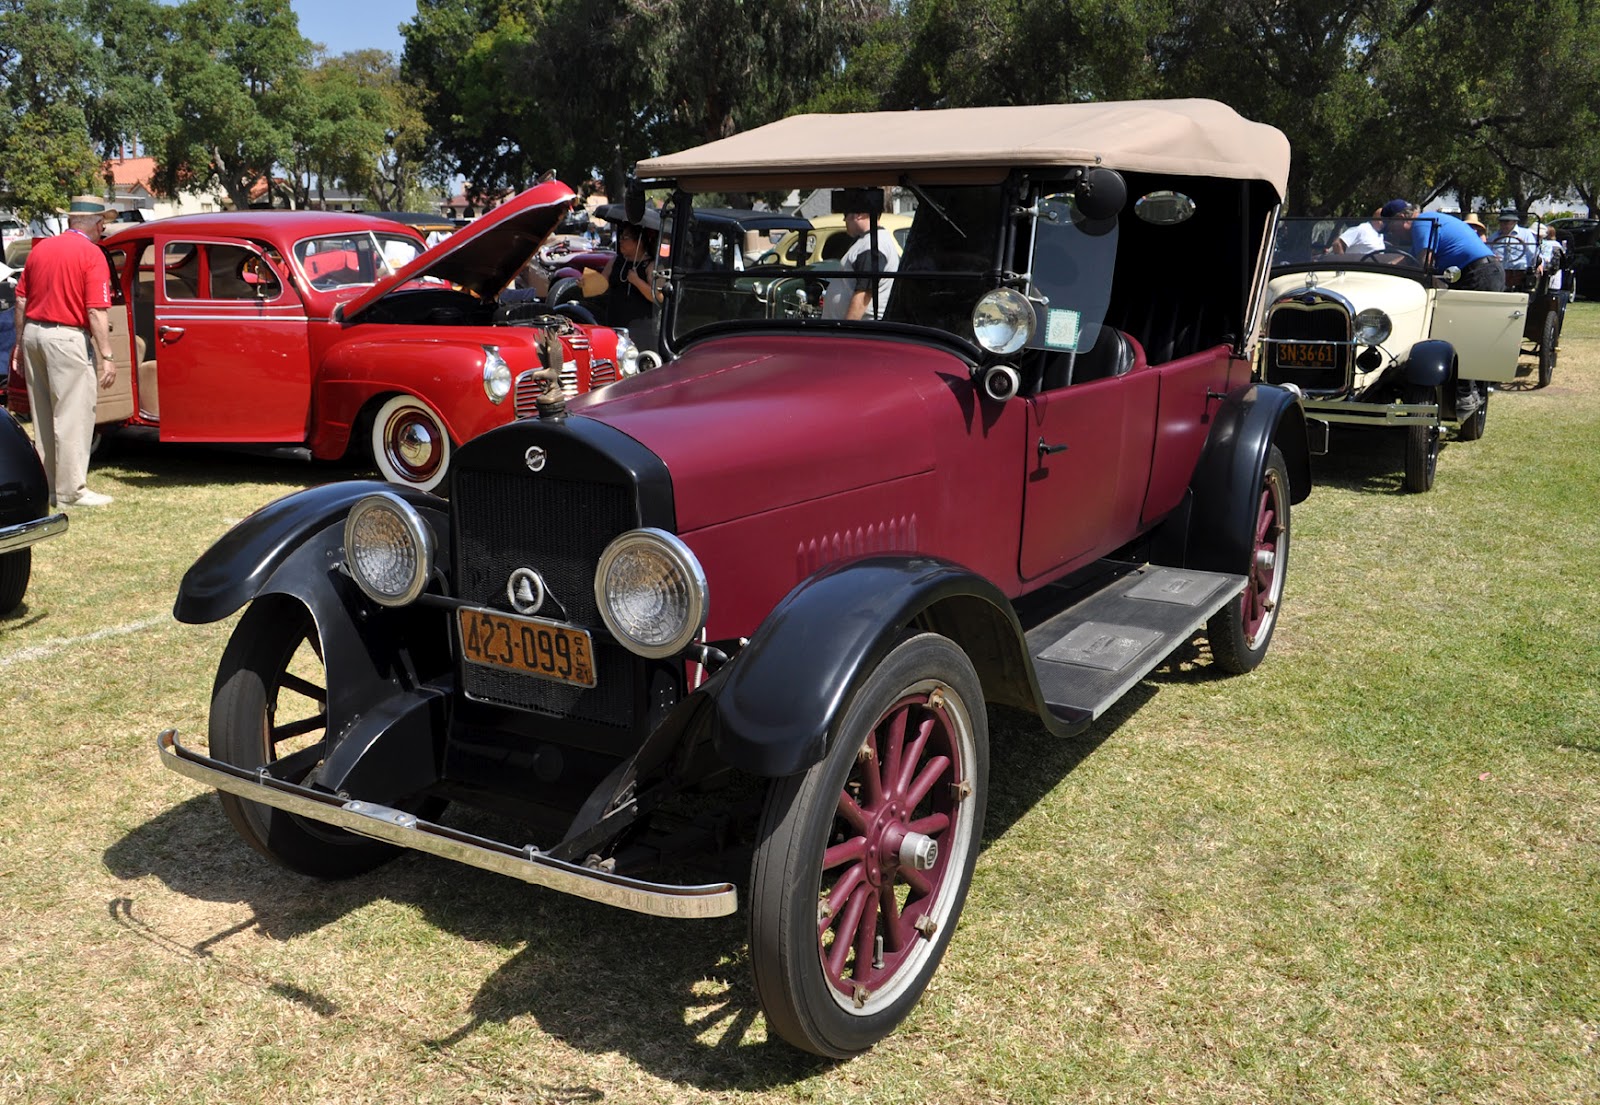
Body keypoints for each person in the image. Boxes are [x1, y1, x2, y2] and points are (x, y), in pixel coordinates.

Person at [12, 194, 117, 507]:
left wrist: (19, 344)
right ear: (95, 223)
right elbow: (97, 310)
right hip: (67, 337)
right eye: (103, 223)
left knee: (43, 416)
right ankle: (72, 490)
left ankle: (49, 486)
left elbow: (20, 300)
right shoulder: (92, 254)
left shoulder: (41, 249)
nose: (103, 229)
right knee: (73, 413)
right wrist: (107, 356)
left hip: (33, 333)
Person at [1380, 199, 1501, 418]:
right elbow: (1413, 260)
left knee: (1461, 333)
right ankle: (1468, 392)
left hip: (1478, 274)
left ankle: (1465, 395)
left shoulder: (1421, 223)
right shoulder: (1430, 221)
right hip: (1481, 271)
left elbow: (1424, 262)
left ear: (1401, 219)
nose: (1392, 235)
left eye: (1390, 227)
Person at [822, 204, 901, 320]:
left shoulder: (872, 245)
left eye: (846, 214)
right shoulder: (868, 241)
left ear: (858, 215)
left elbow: (864, 293)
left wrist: (847, 330)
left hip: (859, 331)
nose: (844, 219)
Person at [1488, 207, 1539, 289]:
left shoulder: (1526, 234)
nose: (1503, 224)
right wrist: (1493, 258)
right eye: (1501, 221)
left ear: (1515, 222)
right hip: (1498, 274)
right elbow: (1488, 255)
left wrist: (1539, 264)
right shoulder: (1493, 237)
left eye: (1507, 221)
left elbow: (1533, 254)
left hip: (1521, 274)